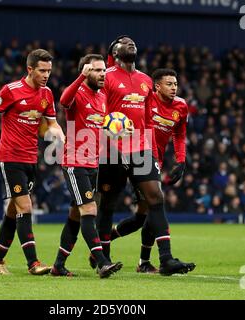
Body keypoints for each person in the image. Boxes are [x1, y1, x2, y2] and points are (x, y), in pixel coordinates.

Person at [94, 36, 195, 276]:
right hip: (112, 150)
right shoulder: (106, 76)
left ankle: (166, 258)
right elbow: (98, 111)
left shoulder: (145, 80)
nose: (130, 43)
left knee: (155, 198)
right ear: (115, 51)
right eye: (123, 42)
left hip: (140, 148)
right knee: (107, 205)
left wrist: (165, 153)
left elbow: (150, 116)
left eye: (132, 42)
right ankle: (103, 258)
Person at [0, 49, 65, 275]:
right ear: (29, 69)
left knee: (13, 210)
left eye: (49, 71)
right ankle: (33, 263)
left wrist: (60, 134)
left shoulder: (47, 94)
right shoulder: (10, 91)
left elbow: (51, 124)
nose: (46, 75)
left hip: (31, 158)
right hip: (10, 157)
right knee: (25, 206)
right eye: (42, 70)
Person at [110, 68, 189, 273]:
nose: (173, 88)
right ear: (157, 86)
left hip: (155, 161)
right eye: (169, 84)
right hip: (133, 155)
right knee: (155, 203)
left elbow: (179, 135)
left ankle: (132, 256)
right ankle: (157, 259)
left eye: (175, 84)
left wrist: (181, 161)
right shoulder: (145, 99)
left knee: (142, 218)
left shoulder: (181, 106)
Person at [50, 54, 123, 278]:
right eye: (98, 70)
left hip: (93, 163)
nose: (103, 74)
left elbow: (99, 129)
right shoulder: (77, 93)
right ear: (86, 72)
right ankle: (102, 262)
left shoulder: (102, 96)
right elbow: (63, 101)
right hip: (75, 162)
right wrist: (79, 78)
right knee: (89, 209)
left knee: (75, 215)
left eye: (104, 70)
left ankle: (58, 266)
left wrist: (117, 133)